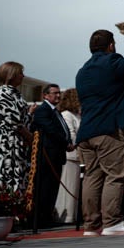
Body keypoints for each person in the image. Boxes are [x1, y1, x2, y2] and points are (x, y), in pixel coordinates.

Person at [75, 29, 124, 236]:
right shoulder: (112, 61)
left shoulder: (83, 71)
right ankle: (112, 222)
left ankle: (91, 225)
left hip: (86, 132)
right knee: (116, 175)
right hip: (109, 130)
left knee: (92, 176)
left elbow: (107, 90)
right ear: (110, 46)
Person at [30, 82, 73, 227]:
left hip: (57, 155)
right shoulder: (43, 110)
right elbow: (51, 130)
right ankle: (41, 218)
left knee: (52, 187)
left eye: (59, 93)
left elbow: (62, 129)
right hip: (47, 155)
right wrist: (65, 142)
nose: (58, 95)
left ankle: (47, 216)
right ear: (45, 95)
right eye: (54, 93)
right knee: (45, 187)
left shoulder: (56, 111)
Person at [0, 61, 32, 193]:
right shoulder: (4, 92)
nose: (23, 76)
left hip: (16, 141)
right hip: (6, 141)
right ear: (12, 75)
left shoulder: (15, 93)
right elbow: (14, 120)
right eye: (20, 73)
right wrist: (30, 138)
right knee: (6, 175)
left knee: (16, 175)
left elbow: (20, 118)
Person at [54, 88, 82, 224]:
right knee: (68, 187)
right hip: (70, 155)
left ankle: (72, 215)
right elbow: (71, 134)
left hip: (77, 157)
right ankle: (64, 217)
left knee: (74, 188)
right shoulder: (67, 115)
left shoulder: (76, 115)